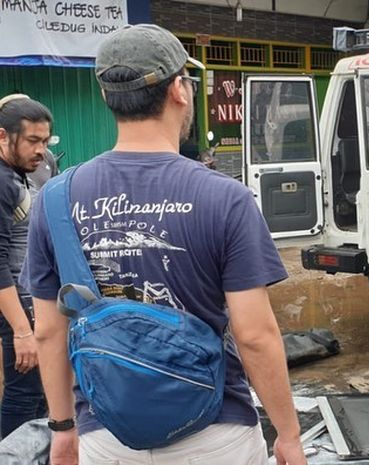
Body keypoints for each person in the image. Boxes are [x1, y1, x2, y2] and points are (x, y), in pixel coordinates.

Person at [22, 24, 306, 465]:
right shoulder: (225, 197)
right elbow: (254, 335)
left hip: (108, 434)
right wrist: (287, 433)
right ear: (180, 90)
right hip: (216, 434)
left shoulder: (55, 199)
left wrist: (62, 429)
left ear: (106, 96)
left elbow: (48, 330)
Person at [0, 95, 52, 438]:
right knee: (24, 396)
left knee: (37, 396)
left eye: (45, 141)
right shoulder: (3, 181)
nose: (41, 150)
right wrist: (22, 330)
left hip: (26, 303)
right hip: (19, 306)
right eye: (33, 141)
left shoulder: (16, 175)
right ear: (3, 137)